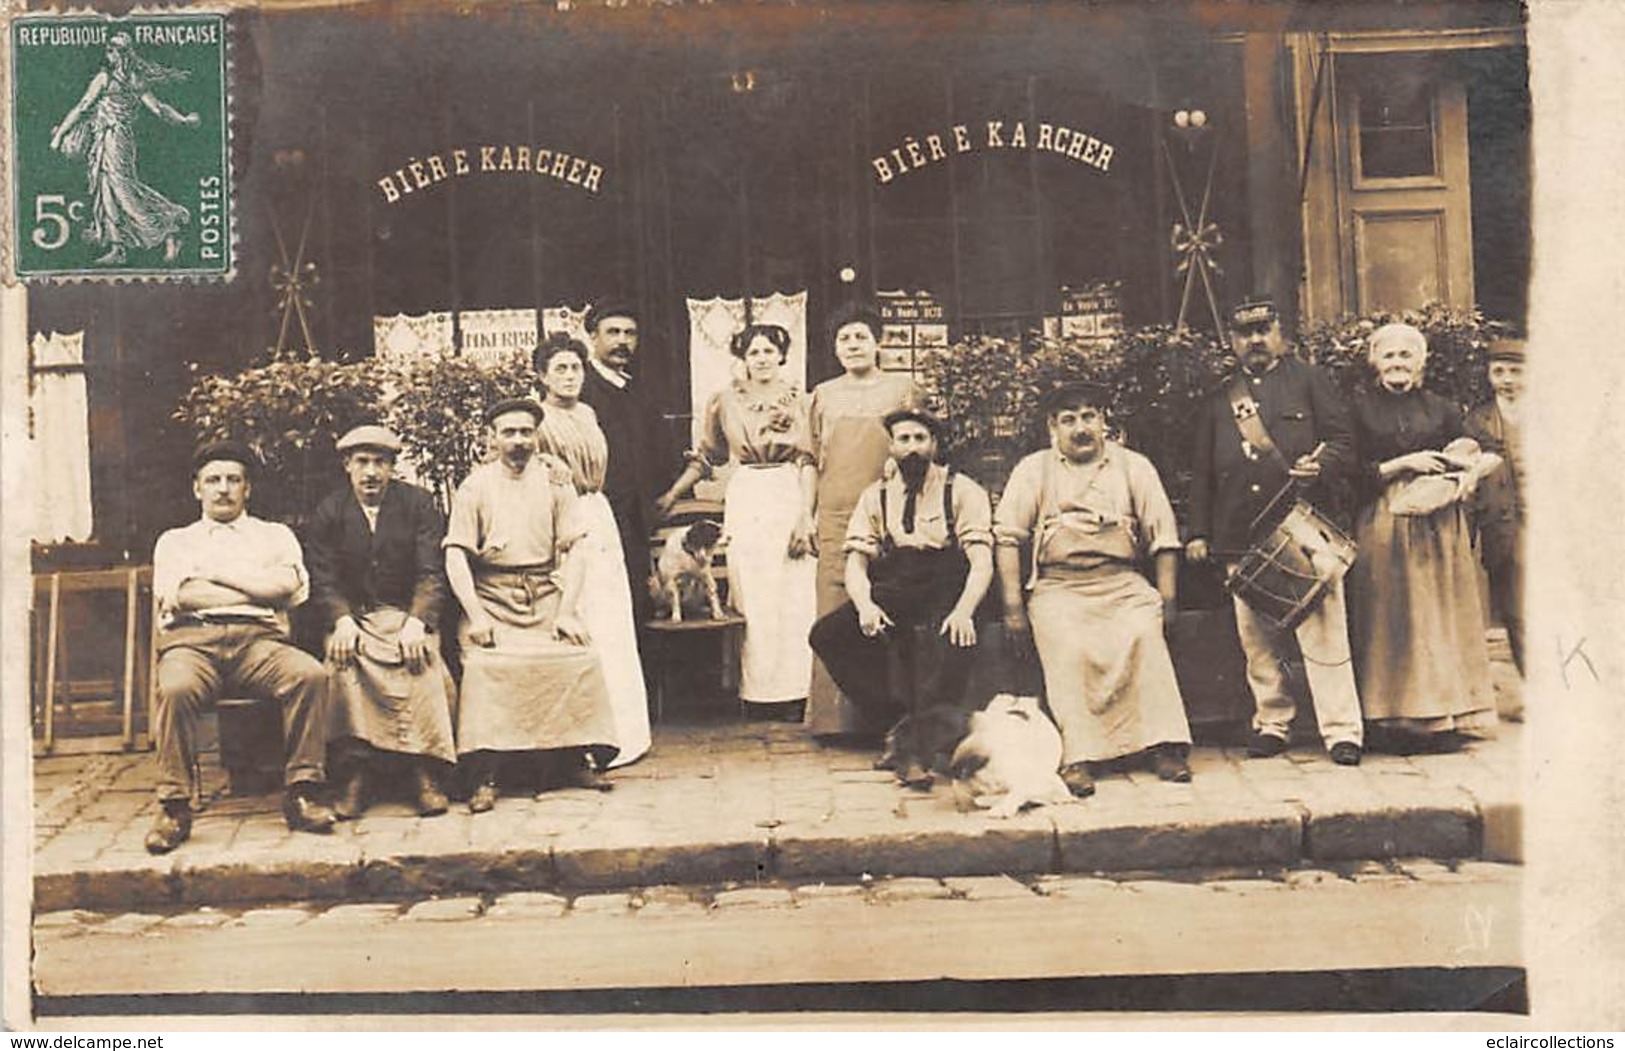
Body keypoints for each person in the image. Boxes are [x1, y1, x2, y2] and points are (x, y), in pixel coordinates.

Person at [1186, 297, 1364, 766]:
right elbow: (1201, 472)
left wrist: (1319, 466)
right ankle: (1273, 722)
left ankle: (1342, 730)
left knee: (1325, 634)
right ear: (1232, 340)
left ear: (1280, 333)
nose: (1256, 340)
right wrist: (1199, 532)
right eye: (1246, 333)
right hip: (1239, 533)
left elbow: (1344, 443)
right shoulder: (1220, 398)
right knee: (1257, 640)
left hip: (1302, 523)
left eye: (1264, 329)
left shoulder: (1310, 381)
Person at [994, 382, 1193, 797]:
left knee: (1144, 632)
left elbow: (1165, 538)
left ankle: (1163, 746)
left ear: (1104, 421)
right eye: (1068, 420)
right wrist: (1013, 606)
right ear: (1053, 427)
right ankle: (1077, 755)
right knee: (1066, 645)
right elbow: (1007, 537)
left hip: (1122, 583)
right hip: (1059, 588)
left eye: (1089, 417)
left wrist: (1168, 599)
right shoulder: (1034, 469)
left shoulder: (1134, 466)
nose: (1080, 428)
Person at [144, 441, 336, 854]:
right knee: (175, 689)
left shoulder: (274, 535)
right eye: (213, 480)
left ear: (248, 488)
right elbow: (184, 597)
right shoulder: (175, 541)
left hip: (259, 643)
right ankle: (174, 806)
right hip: (193, 642)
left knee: (310, 676)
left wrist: (213, 575)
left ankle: (303, 791)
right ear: (197, 489)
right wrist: (255, 589)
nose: (223, 488)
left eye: (233, 479)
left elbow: (287, 588)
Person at [444, 399, 620, 812]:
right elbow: (456, 555)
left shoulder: (557, 483)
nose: (519, 441)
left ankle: (574, 757)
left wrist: (566, 611)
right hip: (493, 597)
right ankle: (487, 772)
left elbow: (576, 548)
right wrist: (476, 615)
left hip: (543, 595)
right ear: (493, 437)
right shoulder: (475, 486)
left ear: (537, 436)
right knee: (488, 667)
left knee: (579, 655)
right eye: (509, 432)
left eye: (526, 432)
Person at [808, 408, 994, 783]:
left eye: (920, 439)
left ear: (934, 445)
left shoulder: (961, 489)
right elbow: (857, 564)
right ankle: (897, 723)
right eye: (904, 440)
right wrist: (865, 607)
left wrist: (963, 611)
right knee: (827, 635)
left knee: (952, 643)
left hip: (950, 582)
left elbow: (981, 561)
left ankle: (924, 749)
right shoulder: (875, 496)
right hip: (899, 583)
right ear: (891, 447)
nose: (912, 449)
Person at [1347, 323, 1502, 751]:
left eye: (1407, 356)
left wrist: (1467, 470)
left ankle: (1441, 716)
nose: (1398, 364)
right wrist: (1402, 463)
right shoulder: (1358, 410)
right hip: (1385, 520)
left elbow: (1487, 449)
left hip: (1438, 522)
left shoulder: (1442, 408)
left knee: (1437, 615)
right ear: (1374, 361)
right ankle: (1389, 717)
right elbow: (1347, 471)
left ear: (1422, 362)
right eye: (1389, 356)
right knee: (1390, 615)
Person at [656, 323, 818, 717]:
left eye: (768, 351)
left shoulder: (804, 400)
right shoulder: (724, 400)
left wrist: (805, 517)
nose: (761, 359)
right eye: (753, 353)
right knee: (754, 593)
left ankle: (799, 692)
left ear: (782, 355)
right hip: (748, 494)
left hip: (789, 488)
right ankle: (759, 695)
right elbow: (709, 454)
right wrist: (675, 493)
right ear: (742, 360)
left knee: (796, 594)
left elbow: (809, 458)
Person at [305, 424, 457, 820]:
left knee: (422, 661)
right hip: (355, 619)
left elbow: (431, 571)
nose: (371, 473)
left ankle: (423, 771)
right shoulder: (330, 511)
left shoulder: (419, 504)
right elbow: (323, 577)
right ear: (347, 466)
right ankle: (357, 772)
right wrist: (340, 619)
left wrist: (418, 621)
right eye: (363, 462)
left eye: (380, 463)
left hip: (405, 615)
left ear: (392, 467)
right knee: (342, 664)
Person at [533, 334, 652, 765]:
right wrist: (548, 468)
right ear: (541, 375)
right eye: (560, 368)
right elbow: (526, 470)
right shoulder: (537, 421)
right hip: (561, 518)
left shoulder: (588, 413)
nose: (569, 376)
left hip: (598, 514)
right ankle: (581, 738)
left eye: (576, 368)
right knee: (579, 616)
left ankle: (623, 733)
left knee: (612, 620)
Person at [805, 303, 923, 737]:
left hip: (888, 509)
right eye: (844, 339)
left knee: (884, 605)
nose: (853, 345)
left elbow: (918, 447)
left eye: (860, 337)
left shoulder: (903, 388)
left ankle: (893, 719)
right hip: (835, 510)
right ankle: (836, 722)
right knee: (835, 608)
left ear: (878, 342)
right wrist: (807, 513)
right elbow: (808, 459)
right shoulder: (822, 395)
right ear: (835, 349)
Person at [49, 31, 201, 265]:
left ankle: (168, 230)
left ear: (121, 54)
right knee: (107, 187)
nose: (107, 54)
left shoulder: (111, 79)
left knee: (123, 190)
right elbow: (158, 108)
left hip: (116, 139)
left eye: (111, 50)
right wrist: (183, 120)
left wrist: (60, 134)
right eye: (107, 49)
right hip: (106, 138)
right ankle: (117, 246)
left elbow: (157, 108)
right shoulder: (130, 79)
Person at [578, 300, 668, 627]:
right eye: (612, 332)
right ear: (592, 337)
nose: (622, 341)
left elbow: (660, 455)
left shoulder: (638, 392)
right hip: (595, 517)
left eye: (630, 334)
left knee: (635, 606)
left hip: (636, 522)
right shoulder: (582, 389)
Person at [1464, 337, 1527, 677]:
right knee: (1518, 612)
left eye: (1516, 371)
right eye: (1498, 371)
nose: (1507, 380)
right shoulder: (1479, 420)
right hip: (1505, 525)